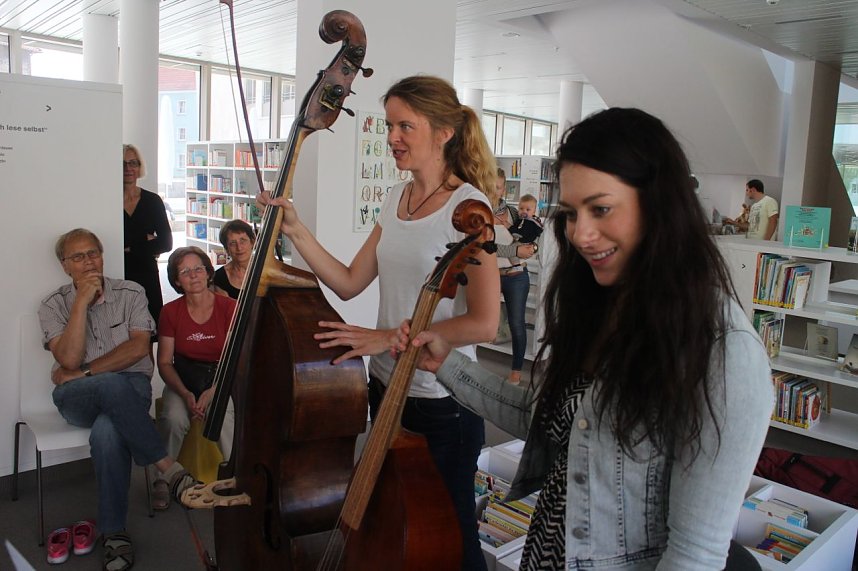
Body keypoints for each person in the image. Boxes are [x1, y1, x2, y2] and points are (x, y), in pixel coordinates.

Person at [399, 108, 774, 570]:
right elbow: (544, 420)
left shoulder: (723, 349)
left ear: (659, 205)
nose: (581, 234)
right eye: (573, 213)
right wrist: (447, 364)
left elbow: (694, 554)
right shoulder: (600, 305)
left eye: (601, 209)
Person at [260, 75, 500, 571]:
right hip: (387, 385)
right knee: (399, 523)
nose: (392, 137)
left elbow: (484, 323)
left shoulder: (471, 209)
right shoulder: (395, 197)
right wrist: (297, 229)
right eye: (389, 125)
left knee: (452, 534)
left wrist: (390, 336)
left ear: (444, 132)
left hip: (442, 401)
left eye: (404, 126)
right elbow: (349, 281)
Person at [38, 228, 198, 571]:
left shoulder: (131, 292)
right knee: (110, 385)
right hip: (77, 398)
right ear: (65, 265)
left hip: (128, 387)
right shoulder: (52, 305)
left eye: (93, 253)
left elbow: (139, 349)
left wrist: (82, 372)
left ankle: (114, 534)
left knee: (109, 432)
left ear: (102, 255)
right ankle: (166, 466)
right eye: (78, 257)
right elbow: (67, 359)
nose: (88, 262)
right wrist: (80, 302)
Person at [155, 247, 237, 508]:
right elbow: (165, 362)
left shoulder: (229, 307)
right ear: (177, 280)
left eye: (198, 268)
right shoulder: (170, 312)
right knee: (173, 417)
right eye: (185, 271)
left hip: (220, 379)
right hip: (183, 379)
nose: (194, 275)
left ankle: (233, 476)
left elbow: (235, 358)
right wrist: (186, 393)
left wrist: (211, 392)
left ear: (208, 272)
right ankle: (164, 478)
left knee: (223, 416)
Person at [493, 170, 537, 385]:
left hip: (517, 275)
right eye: (489, 185)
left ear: (504, 188)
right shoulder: (476, 212)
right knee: (482, 321)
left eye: (499, 186)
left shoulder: (513, 212)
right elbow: (482, 248)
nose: (494, 191)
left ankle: (516, 372)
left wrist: (531, 248)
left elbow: (529, 242)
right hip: (490, 276)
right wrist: (514, 252)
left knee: (517, 324)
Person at [123, 144, 173, 325]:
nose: (128, 168)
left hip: (146, 274)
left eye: (133, 163)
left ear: (139, 167)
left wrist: (129, 246)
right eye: (122, 164)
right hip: (118, 273)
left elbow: (166, 243)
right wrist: (144, 239)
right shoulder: (107, 200)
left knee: (149, 331)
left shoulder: (152, 200)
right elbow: (107, 240)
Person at [213, 219, 256, 299]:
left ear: (252, 242)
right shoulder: (219, 277)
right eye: (232, 243)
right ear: (227, 249)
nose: (239, 248)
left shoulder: (267, 271)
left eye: (242, 240)